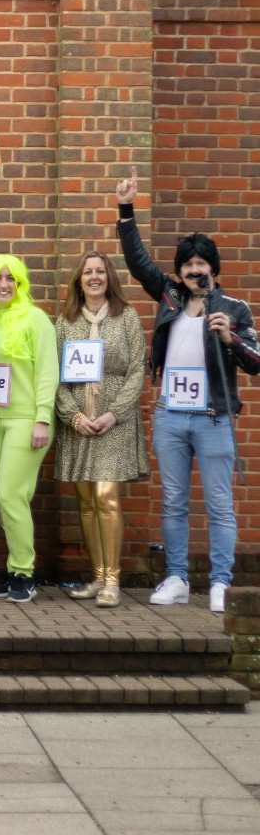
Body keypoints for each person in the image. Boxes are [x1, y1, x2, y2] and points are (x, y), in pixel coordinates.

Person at [116, 167, 260, 613]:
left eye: (201, 265)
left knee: (219, 503)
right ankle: (176, 575)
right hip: (171, 414)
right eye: (188, 264)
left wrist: (230, 338)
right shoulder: (169, 297)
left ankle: (220, 582)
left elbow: (256, 362)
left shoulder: (234, 308)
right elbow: (138, 260)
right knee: (174, 500)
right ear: (179, 270)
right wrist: (126, 209)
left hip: (214, 416)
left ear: (213, 269)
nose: (194, 270)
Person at [54, 250, 149, 608]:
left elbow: (137, 371)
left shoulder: (127, 318)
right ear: (78, 279)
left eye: (100, 272)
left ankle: (113, 580)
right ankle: (96, 576)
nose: (94, 277)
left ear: (109, 277)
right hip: (79, 420)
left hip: (114, 422)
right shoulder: (65, 322)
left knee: (107, 497)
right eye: (87, 272)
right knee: (85, 501)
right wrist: (73, 416)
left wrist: (113, 413)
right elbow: (56, 374)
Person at [0, 254, 58, 603]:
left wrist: (43, 418)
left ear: (20, 284)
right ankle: (13, 572)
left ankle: (24, 573)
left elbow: (48, 372)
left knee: (11, 495)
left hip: (26, 420)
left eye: (11, 279)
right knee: (4, 499)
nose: (4, 284)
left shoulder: (36, 320)